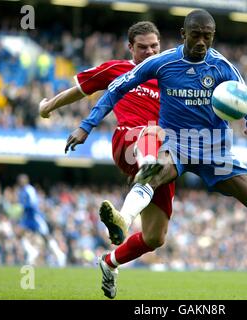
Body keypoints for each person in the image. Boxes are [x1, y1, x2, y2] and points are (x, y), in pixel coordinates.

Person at [69, 9, 247, 297]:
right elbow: (116, 88)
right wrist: (86, 126)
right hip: (176, 145)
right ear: (183, 34)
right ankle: (122, 221)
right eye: (196, 35)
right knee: (151, 171)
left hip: (214, 150)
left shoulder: (222, 66)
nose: (202, 42)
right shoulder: (162, 62)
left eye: (208, 36)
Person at [41, 22, 175, 298]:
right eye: (143, 47)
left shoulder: (171, 74)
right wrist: (48, 106)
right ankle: (139, 182)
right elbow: (80, 89)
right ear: (130, 48)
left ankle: (109, 262)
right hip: (128, 141)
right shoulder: (117, 70)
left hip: (163, 157)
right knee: (150, 130)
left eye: (154, 46)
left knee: (155, 237)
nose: (150, 52)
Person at [17, 174, 66, 266]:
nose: (20, 182)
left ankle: (59, 254)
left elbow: (33, 203)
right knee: (19, 234)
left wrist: (23, 207)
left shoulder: (29, 189)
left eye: (22, 180)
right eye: (19, 180)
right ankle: (31, 251)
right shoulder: (21, 191)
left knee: (45, 236)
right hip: (27, 217)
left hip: (35, 216)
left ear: (26, 181)